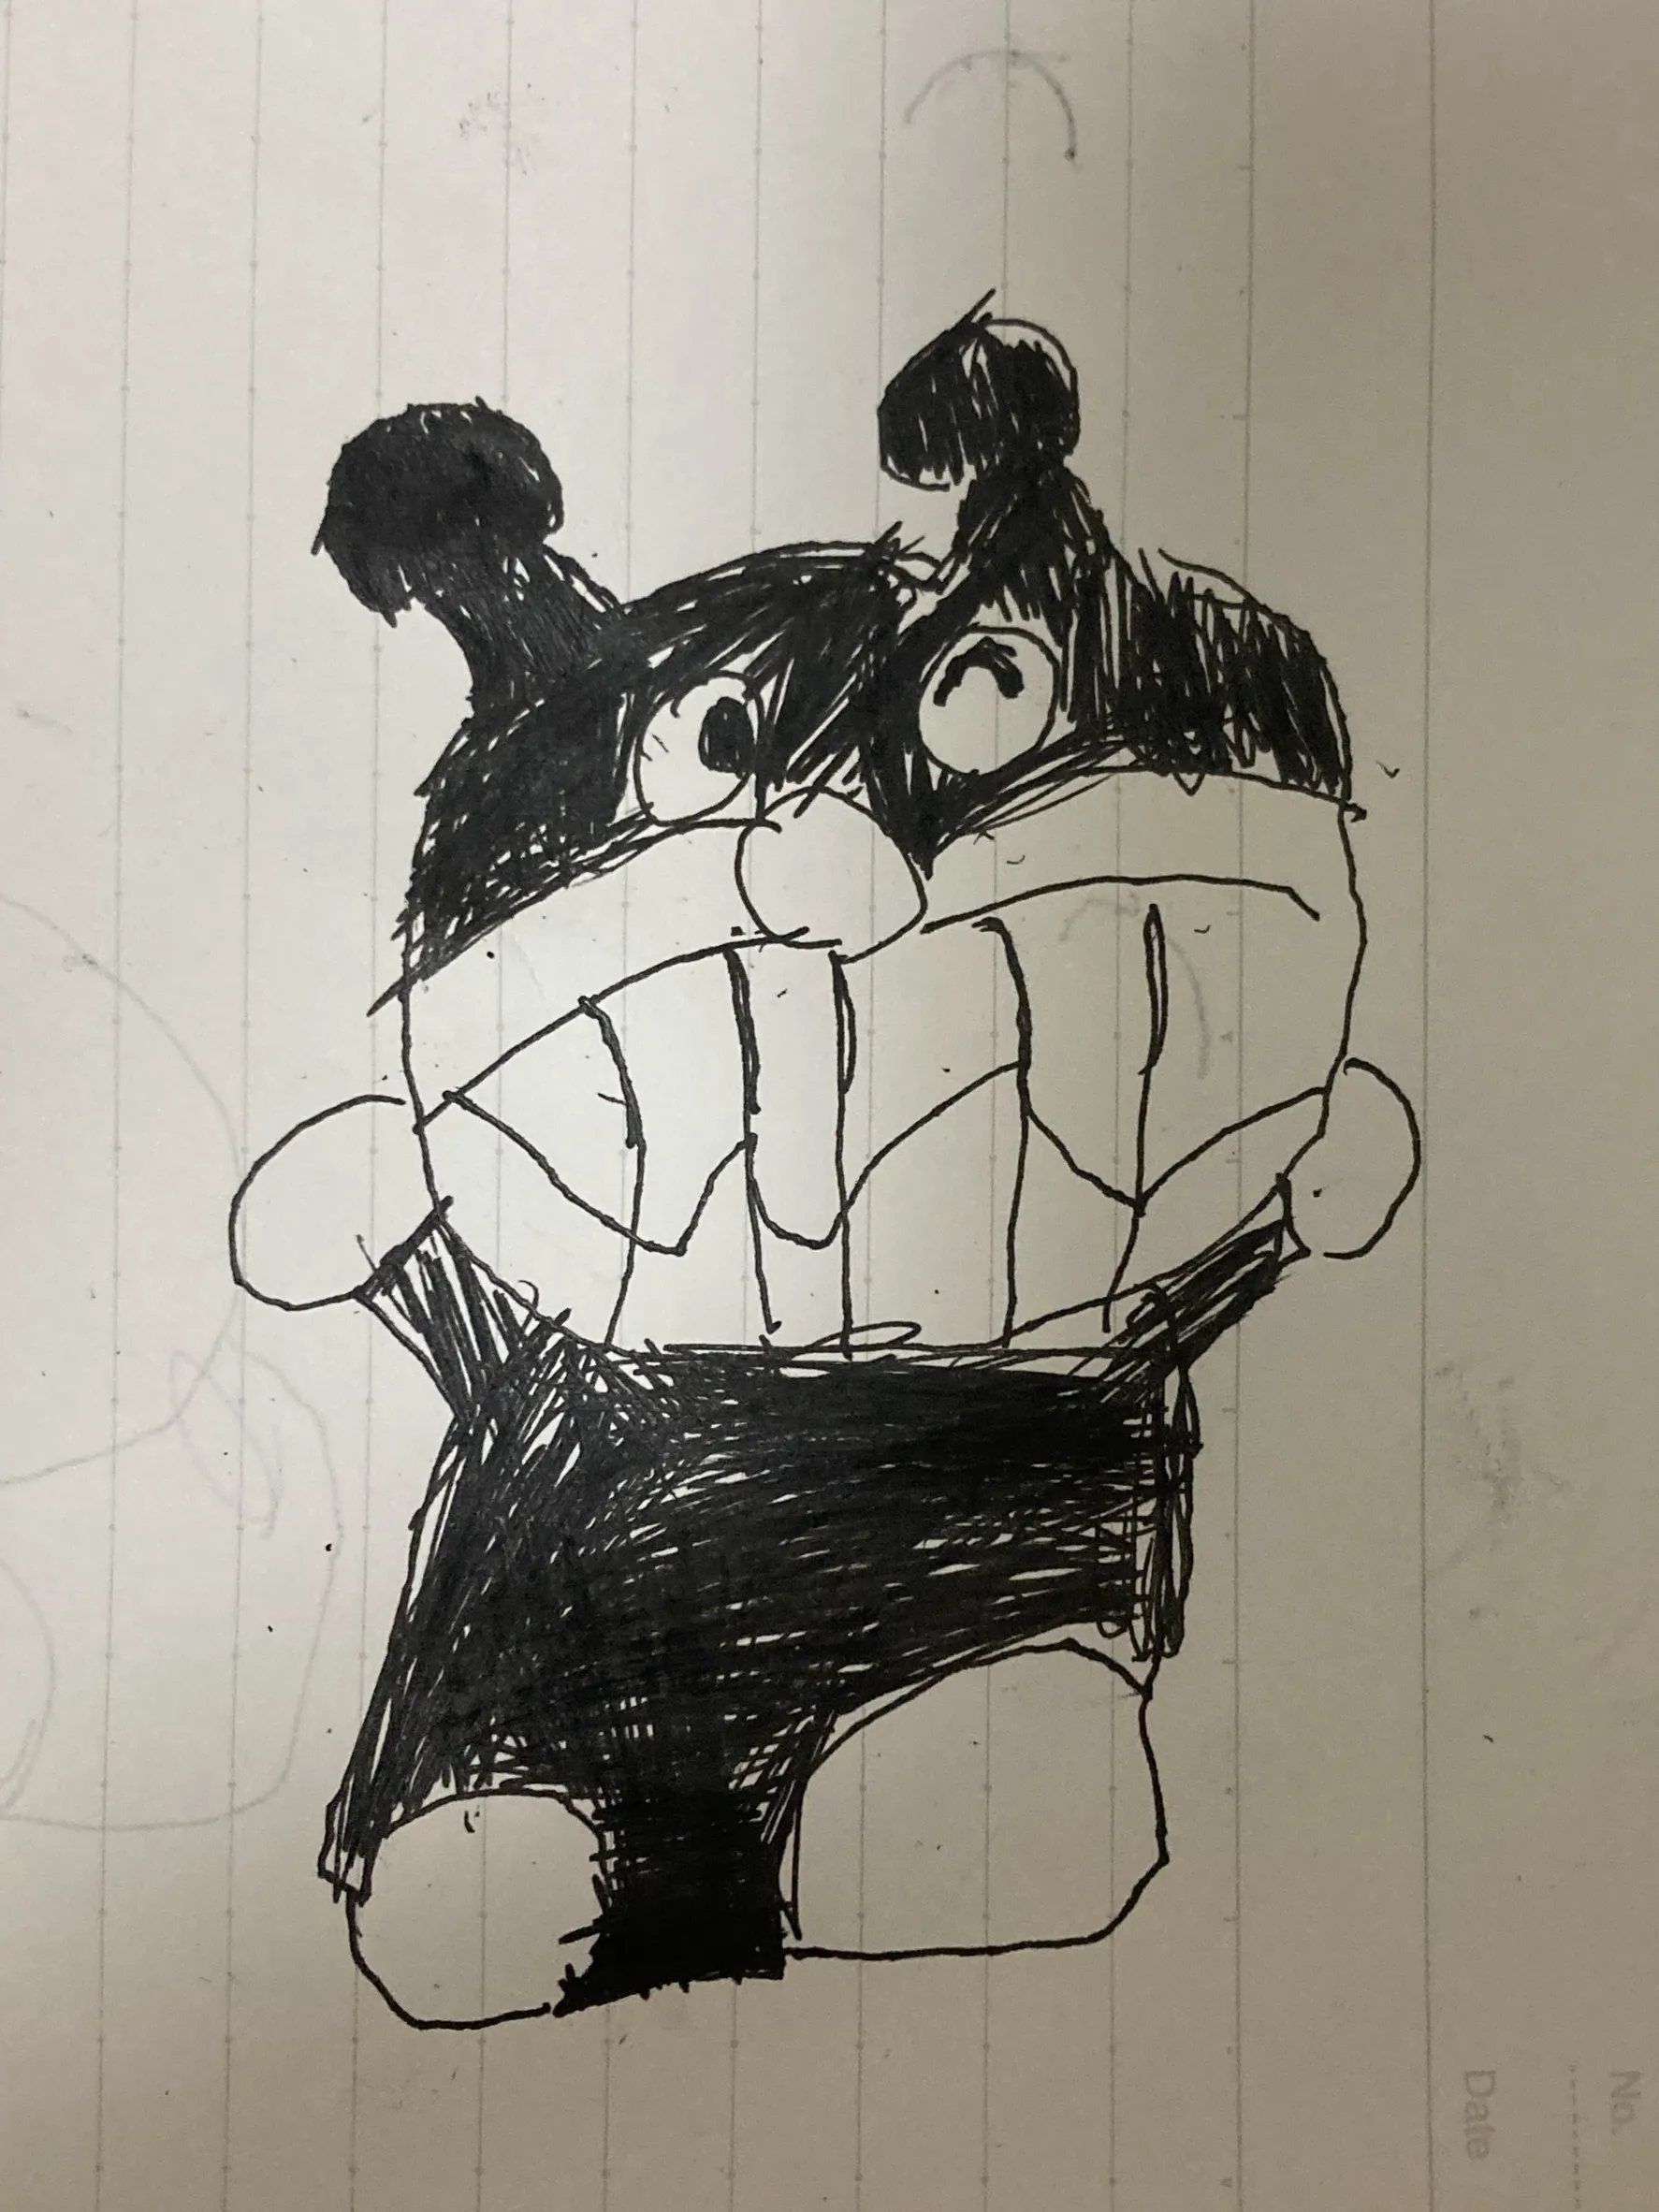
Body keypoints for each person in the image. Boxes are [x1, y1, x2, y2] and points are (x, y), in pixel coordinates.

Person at [234, 313, 1417, 2026]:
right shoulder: (580, 1255)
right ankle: (532, 1806)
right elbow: (471, 1315)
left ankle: (963, 1749)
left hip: (984, 1564)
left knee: (990, 1749)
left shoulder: (1070, 1240)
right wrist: (402, 1236)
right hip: (578, 1631)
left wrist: (1284, 1211)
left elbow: (1188, 1267)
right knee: (515, 1852)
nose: (834, 887)